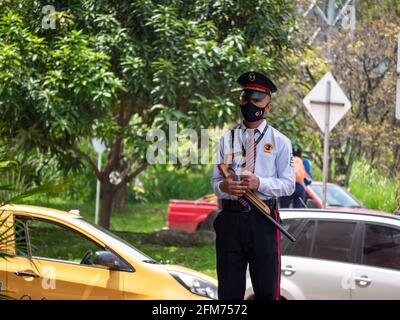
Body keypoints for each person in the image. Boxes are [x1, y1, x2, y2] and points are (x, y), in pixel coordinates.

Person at [211, 71, 295, 300]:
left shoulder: (280, 142)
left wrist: (260, 183)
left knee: (267, 291)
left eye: (256, 100)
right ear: (240, 101)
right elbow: (215, 183)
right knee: (228, 293)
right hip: (230, 219)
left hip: (263, 219)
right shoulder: (226, 139)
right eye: (246, 99)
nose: (250, 104)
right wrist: (225, 188)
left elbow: (289, 185)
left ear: (268, 106)